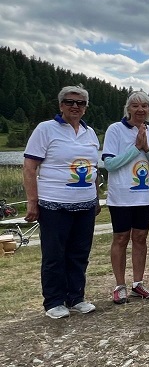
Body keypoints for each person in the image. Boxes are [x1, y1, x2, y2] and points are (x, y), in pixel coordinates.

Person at [23, 86, 101, 318]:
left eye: (80, 103)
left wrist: (96, 198)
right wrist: (32, 201)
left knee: (79, 253)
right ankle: (54, 301)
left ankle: (76, 297)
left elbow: (93, 168)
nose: (75, 106)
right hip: (54, 204)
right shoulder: (45, 129)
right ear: (61, 105)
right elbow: (29, 167)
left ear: (86, 107)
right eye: (69, 102)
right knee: (54, 254)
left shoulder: (90, 133)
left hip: (85, 204)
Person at [102, 91, 149, 303]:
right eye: (135, 106)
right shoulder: (115, 130)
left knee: (140, 238)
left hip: (145, 196)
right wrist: (136, 148)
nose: (140, 110)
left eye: (144, 106)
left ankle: (138, 283)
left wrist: (146, 148)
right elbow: (109, 164)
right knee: (121, 238)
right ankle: (119, 285)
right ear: (128, 108)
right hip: (121, 196)